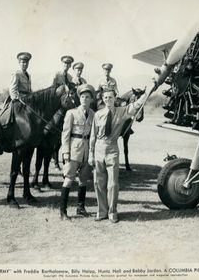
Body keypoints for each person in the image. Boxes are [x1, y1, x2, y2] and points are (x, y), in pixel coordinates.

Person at [88, 87, 151, 223]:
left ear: (115, 98)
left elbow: (137, 105)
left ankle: (112, 212)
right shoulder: (98, 114)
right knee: (98, 182)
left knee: (113, 183)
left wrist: (148, 91)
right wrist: (90, 154)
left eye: (110, 97)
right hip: (98, 148)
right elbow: (93, 136)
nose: (108, 100)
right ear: (103, 99)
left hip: (112, 148)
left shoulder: (122, 112)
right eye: (105, 98)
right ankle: (102, 211)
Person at [59, 84, 96, 221]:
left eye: (87, 97)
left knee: (83, 180)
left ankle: (81, 207)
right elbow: (65, 134)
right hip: (74, 150)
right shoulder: (71, 113)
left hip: (87, 150)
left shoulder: (93, 114)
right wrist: (65, 153)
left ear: (91, 99)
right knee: (69, 179)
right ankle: (63, 211)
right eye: (82, 96)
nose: (84, 99)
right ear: (79, 98)